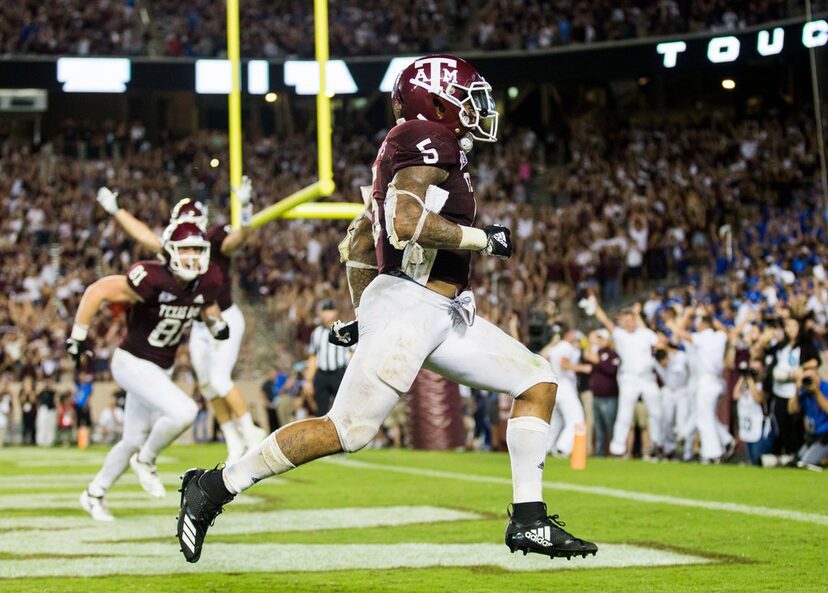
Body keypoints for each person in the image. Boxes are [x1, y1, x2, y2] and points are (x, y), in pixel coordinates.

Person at [177, 54, 596, 563]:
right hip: (412, 306)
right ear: (437, 101)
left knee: (537, 381)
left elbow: (356, 242)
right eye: (468, 96)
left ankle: (529, 520)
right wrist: (481, 238)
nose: (478, 106)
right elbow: (402, 220)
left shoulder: (408, 150)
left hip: (435, 310)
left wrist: (360, 313)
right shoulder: (427, 137)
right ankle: (214, 487)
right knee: (346, 431)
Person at [96, 177, 265, 463]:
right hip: (198, 323)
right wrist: (117, 211)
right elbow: (145, 236)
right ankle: (233, 441)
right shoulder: (172, 245)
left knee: (220, 380)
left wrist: (245, 207)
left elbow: (240, 237)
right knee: (208, 386)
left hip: (222, 315)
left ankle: (251, 433)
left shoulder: (213, 238)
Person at [70, 220, 228, 521]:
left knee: (131, 438)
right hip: (132, 361)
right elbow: (98, 290)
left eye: (198, 249)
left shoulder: (206, 281)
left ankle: (94, 493)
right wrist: (78, 335)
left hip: (159, 369)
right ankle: (147, 460)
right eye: (187, 250)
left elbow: (205, 303)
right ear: (170, 252)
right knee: (185, 411)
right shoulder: (152, 278)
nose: (194, 256)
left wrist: (216, 322)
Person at [592, 299, 662, 457]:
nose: (630, 323)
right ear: (623, 322)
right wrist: (596, 305)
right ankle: (618, 448)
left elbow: (658, 344)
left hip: (647, 378)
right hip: (629, 379)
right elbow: (605, 321)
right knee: (624, 414)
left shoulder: (646, 333)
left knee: (656, 413)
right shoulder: (620, 335)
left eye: (632, 319)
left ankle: (658, 445)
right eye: (627, 320)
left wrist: (638, 316)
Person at [672, 308, 735, 463]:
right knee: (706, 416)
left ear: (702, 325)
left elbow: (679, 333)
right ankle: (725, 441)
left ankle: (712, 453)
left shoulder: (702, 338)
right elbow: (726, 331)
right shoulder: (718, 336)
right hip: (717, 381)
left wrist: (679, 319)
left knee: (704, 418)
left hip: (705, 382)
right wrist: (709, 316)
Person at [767, 317, 819, 458]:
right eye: (788, 326)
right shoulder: (781, 346)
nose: (791, 329)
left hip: (796, 391)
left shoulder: (805, 345)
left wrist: (800, 368)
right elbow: (767, 355)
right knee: (781, 423)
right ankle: (786, 453)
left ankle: (798, 454)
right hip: (779, 391)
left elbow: (816, 361)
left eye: (794, 326)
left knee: (796, 424)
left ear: (799, 328)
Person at [541, 322, 589, 456]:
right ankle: (563, 447)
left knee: (557, 421)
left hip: (554, 387)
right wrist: (583, 368)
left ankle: (545, 448)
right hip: (565, 388)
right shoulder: (567, 347)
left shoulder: (556, 347)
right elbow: (564, 364)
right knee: (577, 419)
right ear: (568, 334)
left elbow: (544, 357)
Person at [303, 299, 353, 417]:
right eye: (324, 311)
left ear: (336, 312)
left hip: (339, 373)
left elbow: (353, 354)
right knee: (321, 412)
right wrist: (309, 380)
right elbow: (313, 357)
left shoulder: (344, 329)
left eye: (330, 310)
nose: (327, 314)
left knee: (343, 409)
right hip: (322, 375)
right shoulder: (316, 332)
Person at [583, 329, 619, 456]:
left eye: (602, 338)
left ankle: (613, 451)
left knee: (610, 426)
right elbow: (586, 356)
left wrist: (598, 361)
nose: (600, 341)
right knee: (598, 428)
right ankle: (600, 453)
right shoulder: (597, 352)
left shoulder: (613, 354)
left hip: (609, 396)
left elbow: (612, 370)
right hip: (597, 395)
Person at [653, 337, 689, 459]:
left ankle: (685, 451)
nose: (663, 364)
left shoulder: (680, 357)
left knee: (682, 421)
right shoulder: (655, 362)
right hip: (668, 390)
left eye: (664, 361)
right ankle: (669, 448)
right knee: (666, 420)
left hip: (682, 390)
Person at [789, 368, 828, 468]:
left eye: (811, 378)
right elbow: (792, 409)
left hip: (827, 434)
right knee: (797, 461)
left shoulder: (826, 388)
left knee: (806, 462)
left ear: (818, 378)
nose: (808, 381)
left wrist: (816, 391)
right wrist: (797, 390)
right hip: (814, 434)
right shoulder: (805, 391)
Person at [733, 359, 770, 466]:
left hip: (758, 425)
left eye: (756, 369)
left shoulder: (763, 385)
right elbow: (735, 395)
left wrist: (751, 381)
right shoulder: (745, 385)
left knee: (757, 458)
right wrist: (743, 376)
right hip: (747, 424)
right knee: (750, 458)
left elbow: (758, 398)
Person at [36, 380, 57, 447]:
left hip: (51, 410)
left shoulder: (53, 392)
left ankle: (50, 441)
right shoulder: (41, 392)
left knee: (50, 426)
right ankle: (41, 441)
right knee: (42, 425)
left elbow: (56, 400)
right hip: (43, 410)